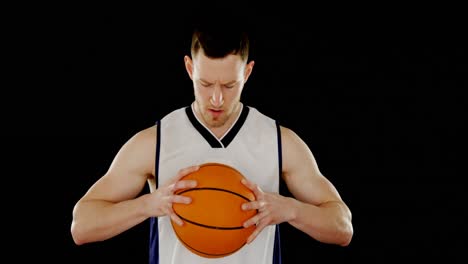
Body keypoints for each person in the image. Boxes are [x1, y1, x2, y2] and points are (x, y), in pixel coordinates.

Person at [70, 20, 353, 264]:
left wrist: (291, 210)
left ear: (248, 73)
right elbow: (82, 226)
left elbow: (342, 227)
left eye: (229, 86)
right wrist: (149, 205)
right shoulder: (155, 141)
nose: (217, 98)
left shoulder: (280, 141)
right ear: (189, 68)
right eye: (206, 84)